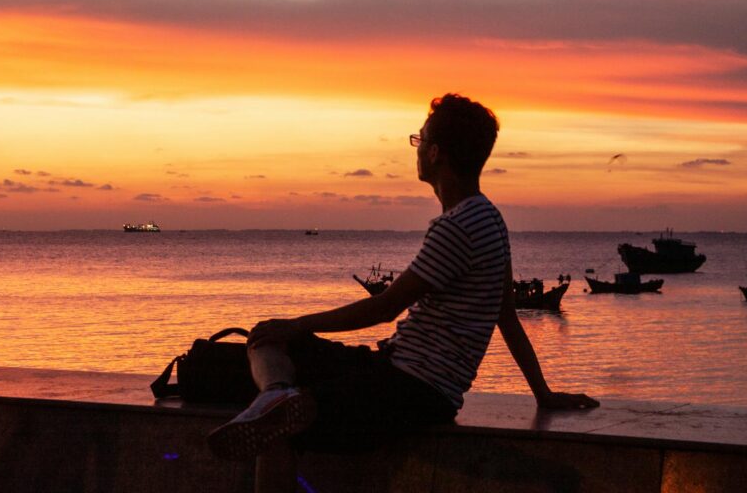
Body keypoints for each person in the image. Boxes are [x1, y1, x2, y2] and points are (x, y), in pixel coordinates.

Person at [207, 94, 598, 491]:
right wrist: (543, 393)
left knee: (277, 428)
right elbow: (507, 316)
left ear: (436, 153)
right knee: (263, 336)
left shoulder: (456, 227)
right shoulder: (490, 218)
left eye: (419, 139)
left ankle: (276, 409)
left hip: (410, 390)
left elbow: (385, 307)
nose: (416, 148)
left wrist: (295, 325)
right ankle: (276, 397)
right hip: (399, 373)